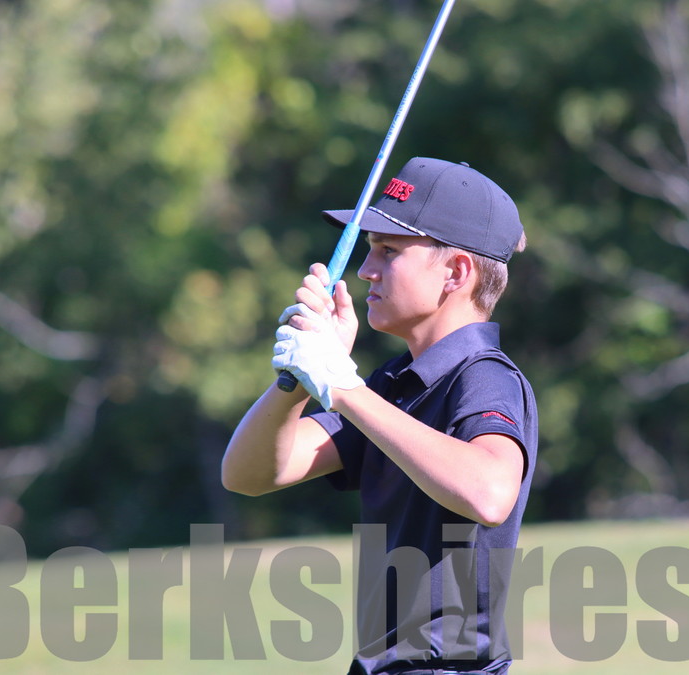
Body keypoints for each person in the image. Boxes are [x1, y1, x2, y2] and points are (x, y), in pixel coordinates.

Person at [222, 157, 538, 675]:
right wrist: (298, 380)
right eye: (369, 249)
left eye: (389, 251)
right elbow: (248, 474)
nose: (367, 270)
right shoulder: (391, 385)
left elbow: (490, 493)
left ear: (456, 273)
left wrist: (342, 386)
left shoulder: (485, 376)